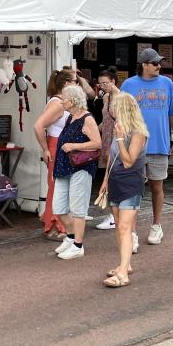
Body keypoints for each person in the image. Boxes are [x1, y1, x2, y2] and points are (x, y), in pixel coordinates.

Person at [121, 48, 173, 245]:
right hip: (135, 146)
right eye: (155, 63)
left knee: (157, 186)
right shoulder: (129, 84)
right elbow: (121, 114)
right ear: (144, 65)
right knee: (134, 189)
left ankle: (157, 225)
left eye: (159, 63)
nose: (159, 66)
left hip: (159, 144)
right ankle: (132, 232)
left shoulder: (167, 83)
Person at [99, 93, 147, 287]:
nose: (112, 111)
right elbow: (111, 157)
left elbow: (128, 162)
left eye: (116, 108)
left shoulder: (137, 132)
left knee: (124, 227)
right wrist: (104, 181)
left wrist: (119, 137)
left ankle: (123, 274)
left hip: (131, 184)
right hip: (115, 182)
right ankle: (123, 265)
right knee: (119, 227)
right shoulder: (120, 127)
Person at [50, 85, 101, 260]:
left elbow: (97, 143)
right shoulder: (69, 117)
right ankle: (71, 238)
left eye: (64, 98)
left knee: (78, 209)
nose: (62, 101)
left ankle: (78, 245)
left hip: (81, 167)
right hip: (64, 167)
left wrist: (74, 146)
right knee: (59, 207)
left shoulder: (88, 119)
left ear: (72, 101)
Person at [33, 69, 77, 241]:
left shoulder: (59, 101)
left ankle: (55, 223)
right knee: (56, 187)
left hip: (59, 147)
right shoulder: (58, 103)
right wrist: (45, 148)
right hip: (56, 147)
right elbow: (38, 126)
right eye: (75, 81)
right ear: (66, 84)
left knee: (58, 186)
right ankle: (53, 226)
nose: (77, 84)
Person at [93, 69, 121, 231]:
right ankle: (113, 214)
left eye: (106, 83)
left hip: (116, 140)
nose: (103, 86)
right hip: (106, 138)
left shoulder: (121, 97)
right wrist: (93, 130)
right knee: (108, 177)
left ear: (113, 81)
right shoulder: (105, 97)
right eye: (100, 83)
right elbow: (106, 120)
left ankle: (114, 216)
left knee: (113, 177)